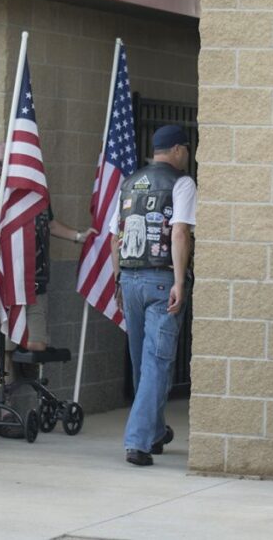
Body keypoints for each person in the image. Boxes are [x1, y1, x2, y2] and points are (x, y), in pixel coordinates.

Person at [112, 125, 196, 467]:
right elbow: (179, 233)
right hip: (161, 279)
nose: (187, 155)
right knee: (157, 361)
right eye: (186, 149)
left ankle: (156, 430)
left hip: (130, 279)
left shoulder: (128, 183)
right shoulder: (183, 182)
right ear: (176, 150)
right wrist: (179, 280)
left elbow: (115, 236)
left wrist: (118, 279)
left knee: (142, 361)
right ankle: (138, 441)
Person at [0, 143, 94, 385]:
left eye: (3, 162)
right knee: (3, 352)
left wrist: (78, 237)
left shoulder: (36, 195)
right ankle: (5, 408)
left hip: (34, 285)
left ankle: (25, 374)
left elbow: (50, 224)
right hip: (2, 287)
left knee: (36, 344)